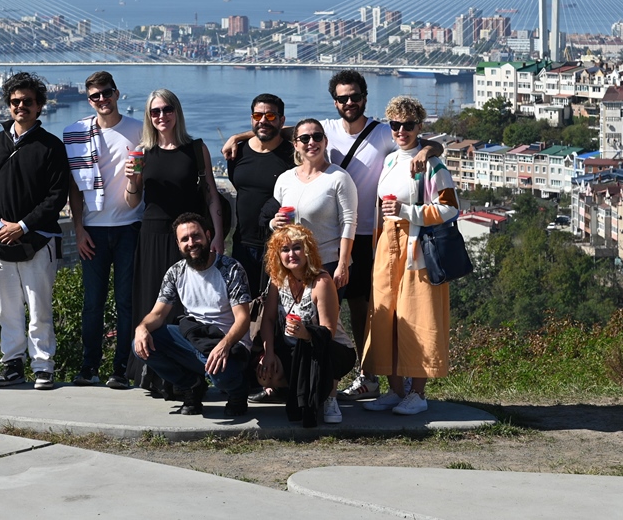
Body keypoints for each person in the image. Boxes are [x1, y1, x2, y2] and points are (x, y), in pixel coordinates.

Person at [223, 69, 441, 400]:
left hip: (372, 236)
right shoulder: (326, 129)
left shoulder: (384, 132)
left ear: (365, 97)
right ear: (334, 101)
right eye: (342, 98)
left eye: (355, 96)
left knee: (365, 309)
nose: (349, 102)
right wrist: (241, 137)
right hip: (322, 244)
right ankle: (304, 378)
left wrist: (427, 152)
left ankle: (369, 376)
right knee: (319, 313)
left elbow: (425, 141)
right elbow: (283, 129)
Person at [361, 96, 458, 417]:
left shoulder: (431, 165)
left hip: (417, 249)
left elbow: (450, 208)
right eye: (395, 125)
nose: (401, 130)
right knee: (386, 316)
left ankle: (417, 392)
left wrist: (407, 211)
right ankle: (396, 389)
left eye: (408, 125)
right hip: (388, 248)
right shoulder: (390, 161)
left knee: (417, 317)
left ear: (419, 127)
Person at [125, 88, 227, 392]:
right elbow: (131, 202)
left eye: (166, 110)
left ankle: (190, 374)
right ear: (148, 116)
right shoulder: (142, 151)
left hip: (192, 239)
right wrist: (131, 180)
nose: (161, 116)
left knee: (189, 307)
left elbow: (211, 195)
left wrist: (218, 236)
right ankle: (153, 373)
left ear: (177, 112)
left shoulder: (196, 149)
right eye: (155, 111)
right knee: (153, 303)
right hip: (154, 236)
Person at [0, 72, 70, 390]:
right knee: (8, 308)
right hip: (1, 242)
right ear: (8, 105)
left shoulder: (51, 147)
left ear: (39, 106)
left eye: (27, 101)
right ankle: (12, 364)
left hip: (38, 241)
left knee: (39, 307)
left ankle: (43, 366)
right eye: (15, 101)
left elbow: (57, 195)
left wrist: (23, 226)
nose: (20, 106)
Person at [65, 71, 143, 390]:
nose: (102, 100)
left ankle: (121, 369)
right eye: (95, 96)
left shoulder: (138, 130)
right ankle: (89, 366)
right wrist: (78, 230)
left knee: (126, 302)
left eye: (106, 93)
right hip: (93, 230)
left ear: (117, 93)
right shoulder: (77, 133)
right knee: (92, 303)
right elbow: (73, 187)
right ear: (89, 100)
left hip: (129, 227)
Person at [132, 213, 252, 417]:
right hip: (195, 338)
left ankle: (238, 392)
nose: (191, 243)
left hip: (228, 342)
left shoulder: (230, 269)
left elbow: (243, 318)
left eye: (196, 236)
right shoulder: (176, 272)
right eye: (185, 239)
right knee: (142, 345)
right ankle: (191, 386)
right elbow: (158, 314)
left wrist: (224, 346)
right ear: (178, 245)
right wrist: (141, 329)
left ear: (207, 235)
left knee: (220, 371)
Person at [256, 224, 356, 427]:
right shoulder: (277, 280)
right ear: (278, 255)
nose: (291, 254)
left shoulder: (321, 281)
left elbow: (328, 332)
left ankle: (329, 396)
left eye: (296, 248)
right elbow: (267, 319)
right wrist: (269, 353)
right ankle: (296, 391)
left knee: (317, 353)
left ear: (307, 251)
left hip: (330, 349)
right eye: (285, 250)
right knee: (266, 376)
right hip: (294, 348)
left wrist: (306, 333)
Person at [269, 118, 357, 289]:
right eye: (304, 138)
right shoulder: (284, 179)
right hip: (292, 265)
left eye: (317, 137)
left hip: (327, 263)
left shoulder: (339, 178)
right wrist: (274, 223)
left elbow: (349, 223)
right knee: (292, 316)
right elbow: (277, 219)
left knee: (324, 316)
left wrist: (343, 264)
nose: (311, 142)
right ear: (295, 144)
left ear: (325, 141)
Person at [226, 93, 294, 297]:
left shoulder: (293, 155)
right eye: (257, 116)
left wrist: (238, 134)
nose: (263, 120)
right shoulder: (237, 153)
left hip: (279, 245)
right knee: (243, 308)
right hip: (242, 245)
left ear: (282, 120)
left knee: (276, 312)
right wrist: (238, 139)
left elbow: (310, 128)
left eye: (271, 116)